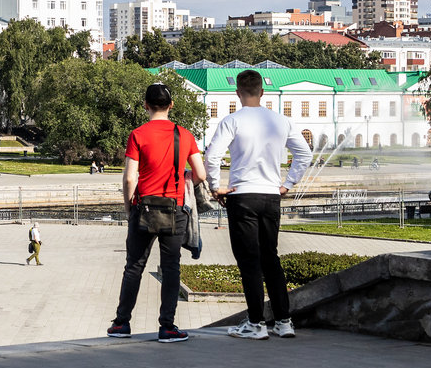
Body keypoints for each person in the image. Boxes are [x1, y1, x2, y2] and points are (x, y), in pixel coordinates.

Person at [205, 68, 313, 340]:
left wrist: (215, 185)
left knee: (249, 261)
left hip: (242, 195)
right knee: (271, 258)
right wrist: (288, 184)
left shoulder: (233, 120)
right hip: (270, 196)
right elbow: (304, 154)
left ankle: (255, 323)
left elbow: (212, 156)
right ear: (262, 92)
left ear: (238, 93)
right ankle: (284, 321)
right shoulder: (280, 121)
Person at [107, 83, 207, 344]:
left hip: (144, 207)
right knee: (171, 268)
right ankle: (167, 327)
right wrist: (185, 178)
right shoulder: (185, 135)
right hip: (174, 210)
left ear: (145, 105)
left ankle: (121, 323)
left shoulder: (138, 134)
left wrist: (130, 207)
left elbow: (130, 178)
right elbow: (201, 174)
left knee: (134, 267)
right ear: (171, 105)